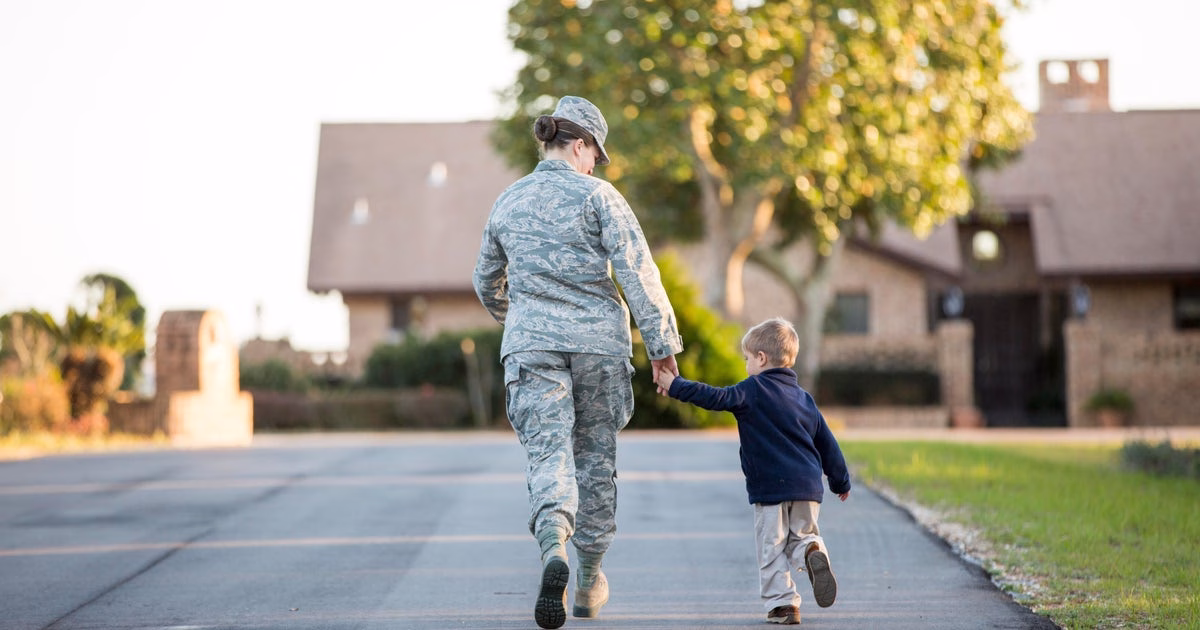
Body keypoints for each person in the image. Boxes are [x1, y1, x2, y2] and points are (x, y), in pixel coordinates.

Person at [473, 95, 683, 630]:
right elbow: (637, 271)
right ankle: (589, 578)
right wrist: (661, 348)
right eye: (595, 155)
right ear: (581, 145)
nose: (595, 166)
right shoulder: (600, 197)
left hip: (532, 347)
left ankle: (554, 548)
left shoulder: (508, 200)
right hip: (598, 348)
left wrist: (522, 322)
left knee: (548, 453)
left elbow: (485, 280)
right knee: (594, 458)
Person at [654, 317, 850, 626]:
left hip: (770, 488)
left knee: (772, 547)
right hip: (807, 488)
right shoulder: (804, 399)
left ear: (761, 358)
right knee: (802, 536)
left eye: (747, 358)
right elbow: (827, 443)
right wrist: (840, 481)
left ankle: (783, 605)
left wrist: (675, 385)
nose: (746, 365)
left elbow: (714, 397)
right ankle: (812, 550)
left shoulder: (752, 390)